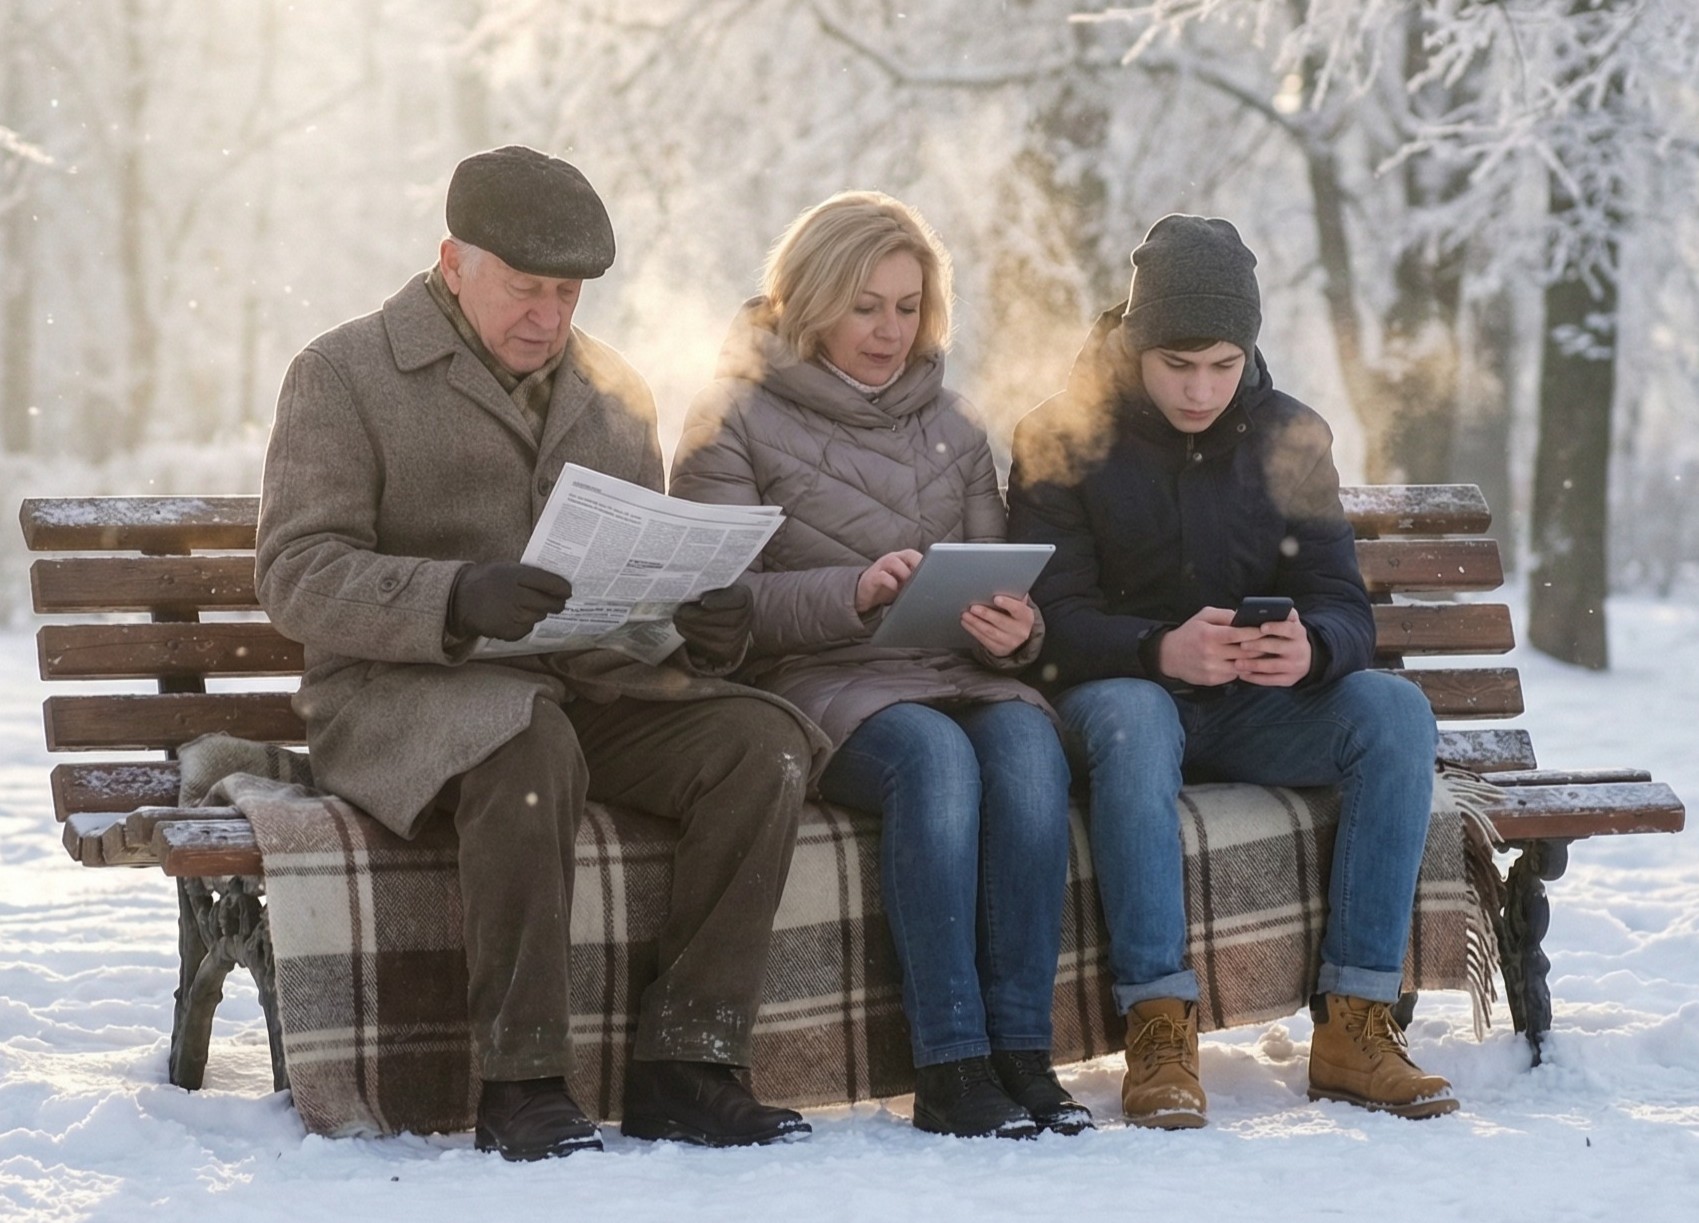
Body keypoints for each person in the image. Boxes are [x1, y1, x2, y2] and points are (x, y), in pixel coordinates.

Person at [256, 145, 823, 1160]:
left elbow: (637, 599)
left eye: (567, 294)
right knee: (528, 744)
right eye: (526, 289)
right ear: (452, 260)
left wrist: (698, 623)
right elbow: (297, 574)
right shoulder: (341, 373)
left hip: (584, 683)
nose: (550, 317)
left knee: (760, 741)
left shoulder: (615, 392)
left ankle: (688, 1063)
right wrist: (454, 595)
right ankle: (520, 1080)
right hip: (403, 695)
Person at [1007, 214, 1457, 1127]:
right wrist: (1155, 648)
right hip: (1127, 704)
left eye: (1222, 363)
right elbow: (1045, 621)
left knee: (1394, 711)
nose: (1201, 388)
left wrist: (1315, 646)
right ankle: (1158, 1027)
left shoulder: (1290, 433)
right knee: (1134, 718)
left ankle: (1354, 1021)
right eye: (1177, 365)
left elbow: (1339, 598)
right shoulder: (1061, 436)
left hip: (1258, 708)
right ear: (1136, 344)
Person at [669, 191, 1086, 1139]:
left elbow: (996, 580)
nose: (889, 330)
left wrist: (1013, 630)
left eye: (907, 306)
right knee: (934, 760)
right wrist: (851, 591)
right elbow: (712, 612)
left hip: (958, 671)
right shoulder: (731, 417)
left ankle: (1022, 1049)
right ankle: (949, 1063)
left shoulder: (954, 422)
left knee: (1028, 750)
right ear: (810, 298)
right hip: (813, 681)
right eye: (866, 306)